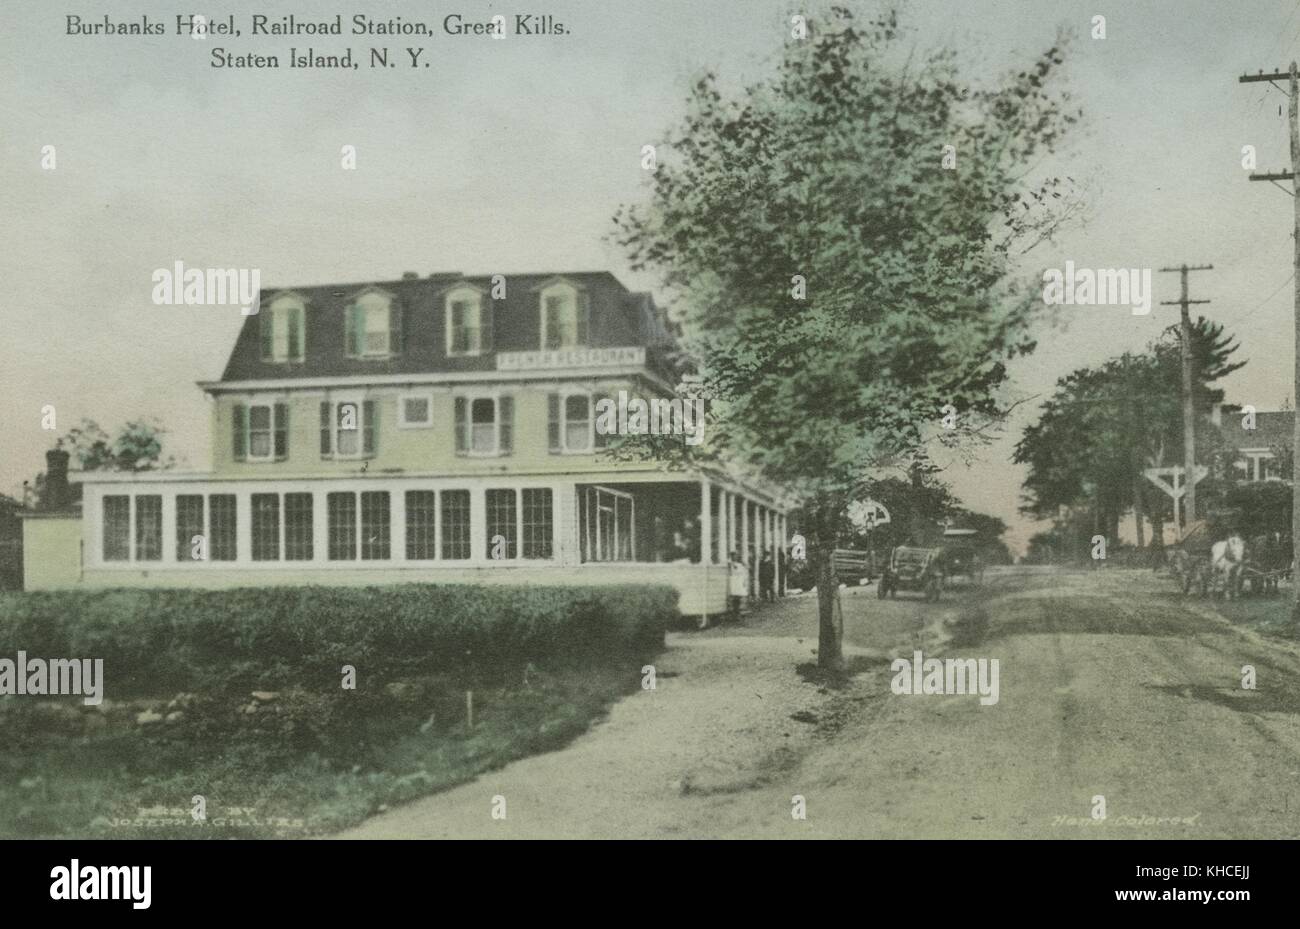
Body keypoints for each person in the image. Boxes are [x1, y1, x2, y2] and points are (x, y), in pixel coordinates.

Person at [727, 550, 749, 622]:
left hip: (740, 583)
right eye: (733, 556)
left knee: (740, 599)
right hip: (734, 583)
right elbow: (731, 572)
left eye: (736, 555)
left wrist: (744, 582)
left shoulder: (740, 565)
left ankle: (739, 614)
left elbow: (745, 571)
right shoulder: (730, 564)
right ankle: (735, 614)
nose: (735, 557)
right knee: (734, 599)